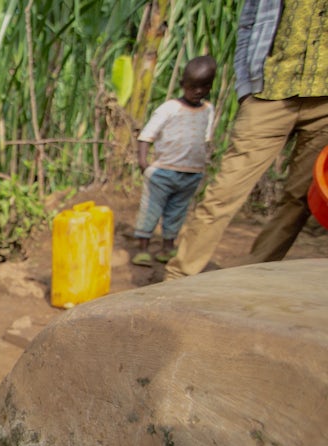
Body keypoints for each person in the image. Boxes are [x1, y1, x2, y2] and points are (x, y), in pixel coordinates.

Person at [165, 0, 328, 280]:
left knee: (299, 198)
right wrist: (245, 88)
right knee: (224, 191)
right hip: (269, 93)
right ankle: (177, 278)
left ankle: (250, 275)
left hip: (324, 103)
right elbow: (248, 26)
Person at [130, 56, 216, 267]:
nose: (198, 91)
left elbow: (205, 139)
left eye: (204, 86)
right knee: (151, 209)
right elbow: (147, 135)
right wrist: (143, 162)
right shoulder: (169, 108)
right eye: (192, 86)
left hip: (191, 173)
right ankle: (143, 249)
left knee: (177, 211)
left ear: (210, 86)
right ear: (182, 85)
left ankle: (168, 247)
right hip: (163, 171)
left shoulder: (208, 110)